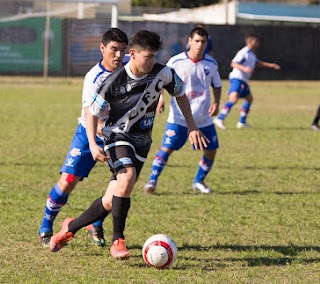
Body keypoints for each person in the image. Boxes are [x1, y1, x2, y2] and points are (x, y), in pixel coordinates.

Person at [48, 30, 208, 259]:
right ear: (132, 54)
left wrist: (192, 126)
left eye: (154, 56)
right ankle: (118, 241)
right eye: (147, 56)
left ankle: (70, 227)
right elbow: (92, 113)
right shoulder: (113, 82)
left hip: (142, 142)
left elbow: (180, 94)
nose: (152, 61)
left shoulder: (163, 73)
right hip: (117, 137)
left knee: (110, 200)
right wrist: (93, 143)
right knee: (127, 177)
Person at [38, 28, 129, 248]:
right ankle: (46, 226)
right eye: (113, 49)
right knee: (68, 180)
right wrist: (94, 140)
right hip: (90, 134)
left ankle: (95, 222)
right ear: (102, 48)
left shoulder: (129, 69)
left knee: (121, 187)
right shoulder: (94, 78)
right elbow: (92, 115)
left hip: (119, 136)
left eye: (122, 50)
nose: (118, 55)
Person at [144, 26, 222, 194]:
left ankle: (198, 181)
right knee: (167, 148)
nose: (200, 45)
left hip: (203, 118)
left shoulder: (211, 63)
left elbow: (217, 85)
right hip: (178, 117)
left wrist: (216, 102)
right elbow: (162, 81)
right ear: (189, 41)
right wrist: (161, 99)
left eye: (203, 42)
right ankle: (151, 181)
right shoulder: (176, 62)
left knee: (211, 151)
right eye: (197, 41)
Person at [213, 33, 281, 130]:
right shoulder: (244, 52)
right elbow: (233, 63)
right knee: (233, 99)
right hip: (237, 78)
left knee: (249, 99)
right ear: (249, 41)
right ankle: (219, 118)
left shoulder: (251, 54)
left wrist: (271, 65)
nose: (257, 43)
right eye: (255, 41)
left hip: (243, 80)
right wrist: (244, 68)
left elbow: (258, 63)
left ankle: (242, 122)